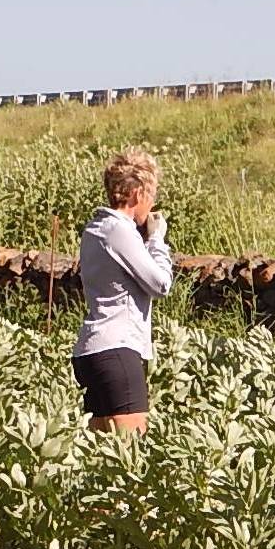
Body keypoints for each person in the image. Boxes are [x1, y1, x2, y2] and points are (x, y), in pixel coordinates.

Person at [71, 149, 172, 434]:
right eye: (151, 195)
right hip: (117, 351)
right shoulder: (119, 231)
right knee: (130, 458)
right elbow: (160, 284)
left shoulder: (96, 228)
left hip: (91, 353)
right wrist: (157, 239)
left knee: (102, 458)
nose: (152, 204)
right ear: (138, 194)